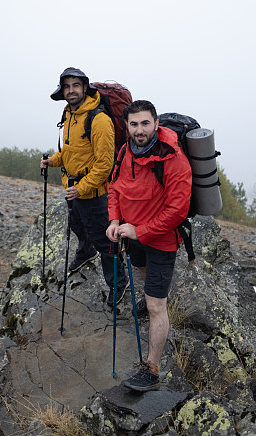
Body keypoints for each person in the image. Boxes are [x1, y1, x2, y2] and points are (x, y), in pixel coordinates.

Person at [106, 99, 192, 392]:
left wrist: (139, 230)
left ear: (156, 123)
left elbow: (177, 211)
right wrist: (114, 221)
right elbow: (115, 188)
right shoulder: (125, 150)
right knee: (141, 271)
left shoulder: (173, 157)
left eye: (145, 123)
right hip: (132, 235)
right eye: (133, 124)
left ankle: (152, 369)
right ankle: (149, 297)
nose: (139, 130)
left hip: (162, 240)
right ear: (126, 126)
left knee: (157, 306)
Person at [41, 67, 128, 308]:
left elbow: (105, 164)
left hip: (94, 193)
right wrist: (53, 161)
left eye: (75, 86)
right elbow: (71, 151)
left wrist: (82, 189)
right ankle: (84, 251)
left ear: (84, 88)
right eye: (67, 86)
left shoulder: (99, 120)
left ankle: (119, 284)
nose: (71, 90)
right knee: (77, 224)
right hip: (72, 187)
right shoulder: (70, 113)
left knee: (105, 241)